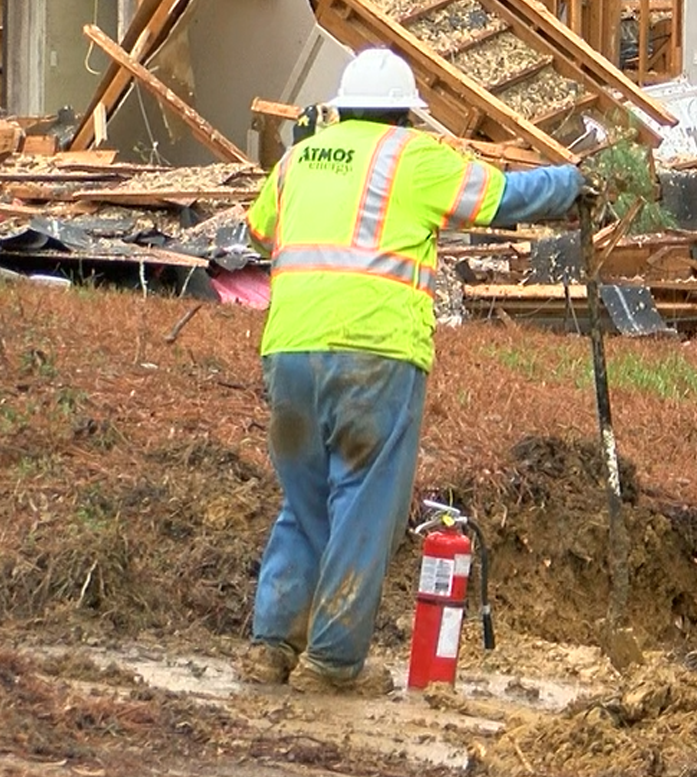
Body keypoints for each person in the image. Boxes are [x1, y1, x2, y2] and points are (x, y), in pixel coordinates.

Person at [237, 47, 586, 693]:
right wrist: (570, 182)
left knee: (305, 499)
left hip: (288, 352)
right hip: (375, 354)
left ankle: (270, 647)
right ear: (404, 113)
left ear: (342, 107)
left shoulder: (297, 159)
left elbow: (260, 232)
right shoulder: (412, 158)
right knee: (364, 503)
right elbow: (502, 199)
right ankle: (333, 663)